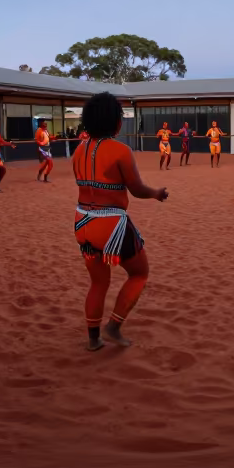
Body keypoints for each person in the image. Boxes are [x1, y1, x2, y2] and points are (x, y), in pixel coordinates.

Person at [73, 92, 168, 351]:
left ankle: (93, 339)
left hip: (82, 222)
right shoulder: (120, 151)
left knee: (98, 282)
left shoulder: (79, 150)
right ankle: (113, 326)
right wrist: (157, 193)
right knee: (139, 273)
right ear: (115, 122)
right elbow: (136, 189)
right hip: (111, 224)